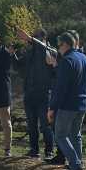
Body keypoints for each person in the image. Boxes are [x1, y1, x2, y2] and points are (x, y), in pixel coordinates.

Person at [48, 32, 86, 170]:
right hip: (82, 104)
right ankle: (78, 163)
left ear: (65, 44)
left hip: (67, 105)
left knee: (60, 135)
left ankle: (75, 166)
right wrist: (85, 96)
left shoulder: (67, 61)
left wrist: (52, 108)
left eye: (59, 45)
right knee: (75, 135)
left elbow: (60, 88)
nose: (58, 48)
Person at [18, 28, 55, 159]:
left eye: (36, 37)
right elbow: (19, 68)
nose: (32, 39)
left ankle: (49, 151)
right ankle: (34, 150)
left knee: (46, 125)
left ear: (44, 39)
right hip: (29, 94)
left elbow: (48, 52)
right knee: (31, 124)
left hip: (44, 94)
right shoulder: (29, 53)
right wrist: (11, 55)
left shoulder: (50, 51)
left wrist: (29, 39)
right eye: (32, 37)